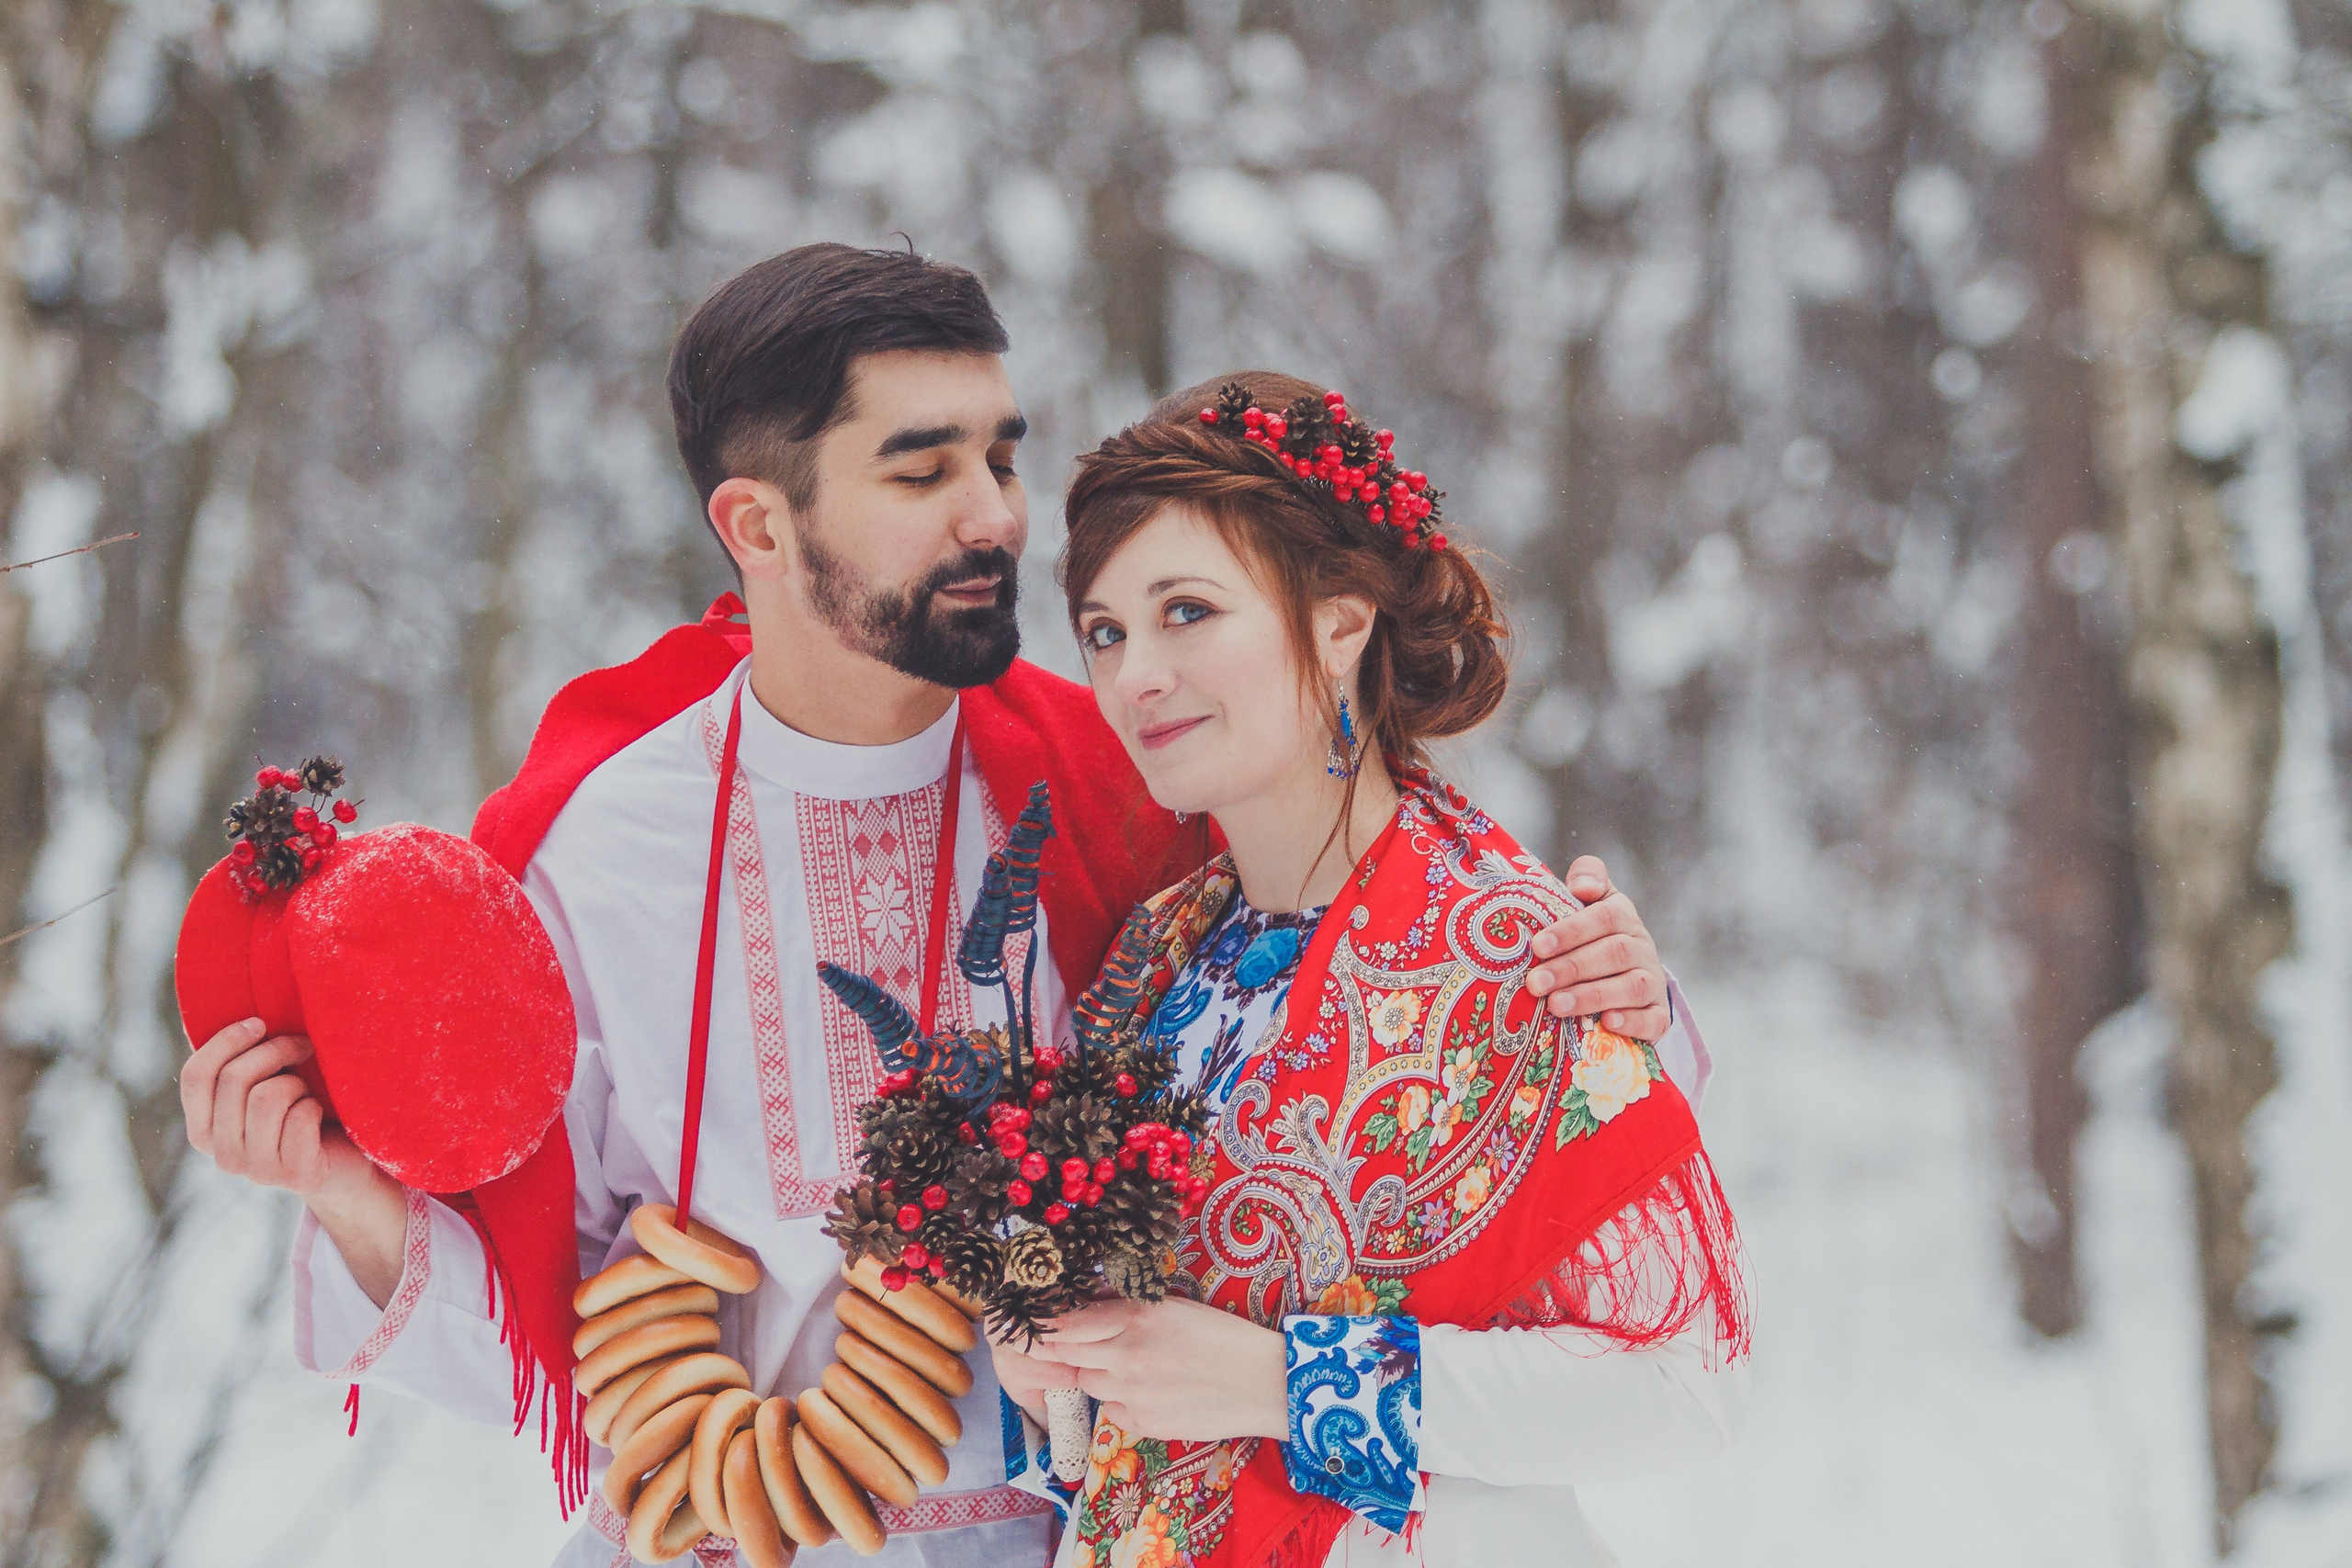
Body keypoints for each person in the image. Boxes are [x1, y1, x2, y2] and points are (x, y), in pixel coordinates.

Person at [175, 248, 1702, 1567]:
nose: (995, 518)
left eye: (1001, 455)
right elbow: (547, 1325)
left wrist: (1620, 990)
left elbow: (1419, 1045)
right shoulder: (595, 848)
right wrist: (345, 1194)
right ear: (760, 528)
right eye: (921, 471)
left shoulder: (1122, 796)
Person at [989, 373, 1750, 1568]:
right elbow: (1111, 1386)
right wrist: (1041, 1358)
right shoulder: (1152, 961)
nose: (1134, 672)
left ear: (1340, 622)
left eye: (1187, 610)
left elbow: (1681, 1382)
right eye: (1105, 630)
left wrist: (1299, 1383)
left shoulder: (1517, 953)